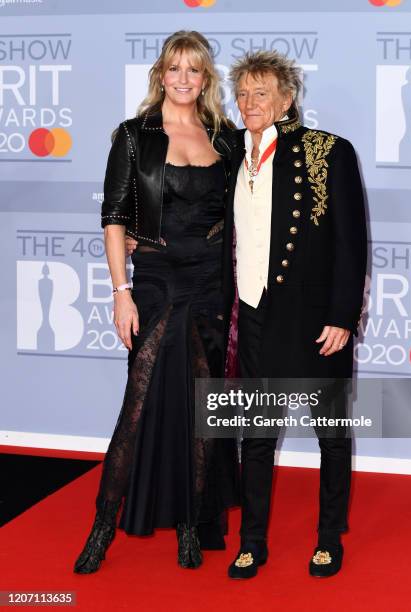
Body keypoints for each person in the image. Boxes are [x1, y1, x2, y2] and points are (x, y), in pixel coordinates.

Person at [73, 30, 239, 574]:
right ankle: (102, 525)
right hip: (158, 278)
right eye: (175, 69)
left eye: (194, 70)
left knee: (199, 404)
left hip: (211, 282)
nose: (184, 79)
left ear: (205, 77)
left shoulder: (226, 136)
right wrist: (121, 293)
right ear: (161, 75)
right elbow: (115, 218)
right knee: (139, 401)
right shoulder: (133, 135)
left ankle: (190, 524)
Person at [220, 51, 367, 579]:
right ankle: (252, 540)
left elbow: (351, 242)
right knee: (255, 434)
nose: (250, 103)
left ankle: (329, 537)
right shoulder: (228, 155)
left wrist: (343, 315)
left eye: (262, 93)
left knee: (330, 432)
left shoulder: (328, 152)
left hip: (314, 319)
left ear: (287, 100)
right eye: (242, 94)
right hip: (253, 314)